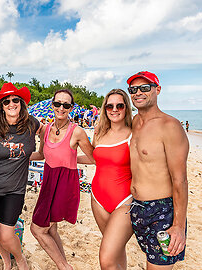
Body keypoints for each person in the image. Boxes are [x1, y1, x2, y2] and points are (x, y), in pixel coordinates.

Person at [126, 71, 189, 269]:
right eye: (133, 89)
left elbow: (180, 180)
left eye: (145, 88)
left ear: (157, 90)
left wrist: (178, 226)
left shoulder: (170, 126)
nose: (138, 93)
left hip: (163, 212)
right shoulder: (135, 122)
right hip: (137, 208)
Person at [30, 89, 94, 270]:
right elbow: (41, 154)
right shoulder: (46, 129)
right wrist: (22, 156)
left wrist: (72, 159)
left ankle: (64, 266)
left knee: (38, 229)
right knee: (51, 229)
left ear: (71, 108)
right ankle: (64, 264)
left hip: (65, 184)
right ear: (52, 105)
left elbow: (93, 158)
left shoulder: (77, 132)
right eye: (58, 103)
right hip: (49, 181)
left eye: (66, 105)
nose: (61, 108)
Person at [0, 82, 40, 270]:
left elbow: (50, 135)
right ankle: (7, 262)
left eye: (15, 100)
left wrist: (46, 153)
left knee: (7, 234)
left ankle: (20, 259)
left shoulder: (32, 123)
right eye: (6, 101)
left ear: (22, 103)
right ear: (1, 106)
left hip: (15, 189)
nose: (11, 104)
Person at [78, 88, 134, 269]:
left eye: (119, 105)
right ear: (105, 108)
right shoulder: (99, 132)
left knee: (106, 259)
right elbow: (94, 159)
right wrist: (70, 159)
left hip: (125, 201)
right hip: (97, 198)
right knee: (116, 249)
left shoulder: (134, 134)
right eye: (110, 106)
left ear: (126, 107)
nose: (114, 109)